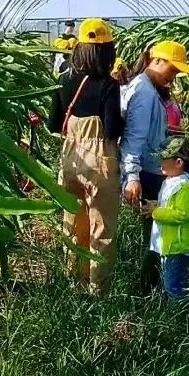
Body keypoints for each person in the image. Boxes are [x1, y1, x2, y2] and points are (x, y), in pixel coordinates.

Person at [47, 18, 123, 295]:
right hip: (100, 161)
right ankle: (98, 290)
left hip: (71, 159)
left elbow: (53, 124)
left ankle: (73, 280)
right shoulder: (108, 85)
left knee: (73, 222)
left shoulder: (64, 80)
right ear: (107, 51)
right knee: (101, 228)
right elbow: (113, 128)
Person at [121, 40, 189, 290]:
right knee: (155, 235)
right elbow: (134, 136)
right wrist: (132, 176)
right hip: (147, 172)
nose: (173, 78)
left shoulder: (147, 89)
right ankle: (150, 288)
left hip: (151, 169)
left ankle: (153, 286)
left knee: (155, 232)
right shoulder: (144, 92)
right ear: (157, 61)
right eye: (172, 70)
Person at [142, 137, 189, 298]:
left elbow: (181, 214)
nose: (160, 162)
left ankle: (181, 315)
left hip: (178, 246)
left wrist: (156, 211)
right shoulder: (171, 182)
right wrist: (155, 204)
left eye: (164, 159)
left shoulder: (183, 188)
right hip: (169, 245)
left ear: (178, 162)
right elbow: (169, 205)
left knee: (173, 286)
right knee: (171, 281)